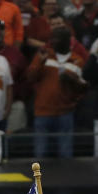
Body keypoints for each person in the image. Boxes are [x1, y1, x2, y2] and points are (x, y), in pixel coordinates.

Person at [27, 26, 87, 158]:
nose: (52, 41)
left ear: (67, 40)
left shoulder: (78, 60)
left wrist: (73, 80)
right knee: (40, 154)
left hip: (65, 113)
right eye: (52, 38)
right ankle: (39, 179)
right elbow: (30, 78)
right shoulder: (43, 55)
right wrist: (40, 63)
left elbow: (82, 89)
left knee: (66, 155)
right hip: (43, 112)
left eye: (57, 38)